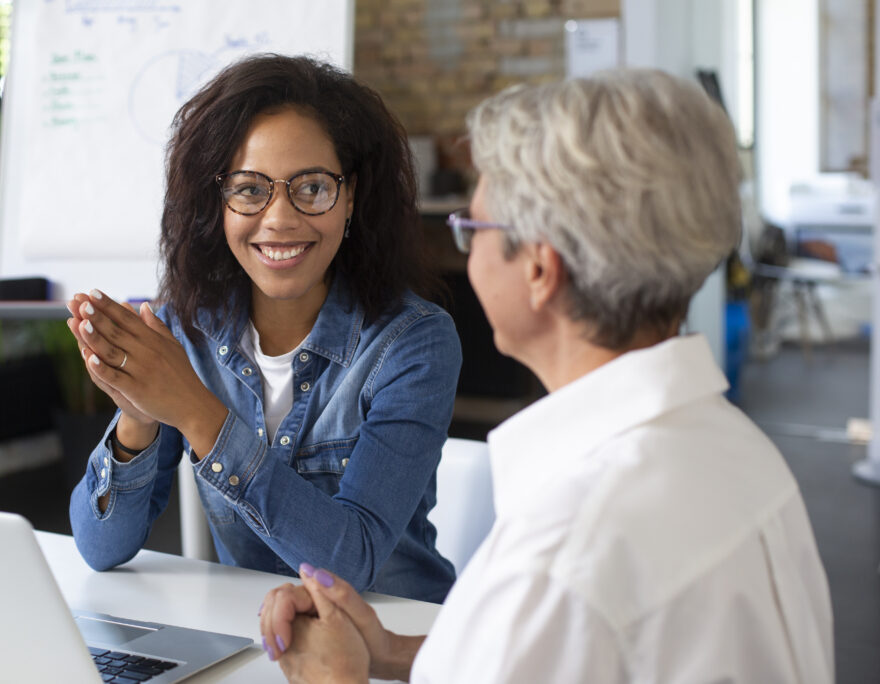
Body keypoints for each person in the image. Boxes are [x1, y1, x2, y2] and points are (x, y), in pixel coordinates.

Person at [258, 69, 835, 681]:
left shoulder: (566, 552)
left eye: (472, 228)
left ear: (540, 270)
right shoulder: (737, 448)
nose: (466, 251)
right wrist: (391, 652)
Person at [66, 54, 461, 604]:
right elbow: (99, 547)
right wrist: (138, 415)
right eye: (250, 189)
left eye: (313, 188)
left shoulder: (413, 342)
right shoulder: (190, 329)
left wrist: (196, 411)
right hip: (255, 641)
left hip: (399, 640)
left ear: (351, 197)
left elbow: (354, 560)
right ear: (217, 203)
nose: (279, 218)